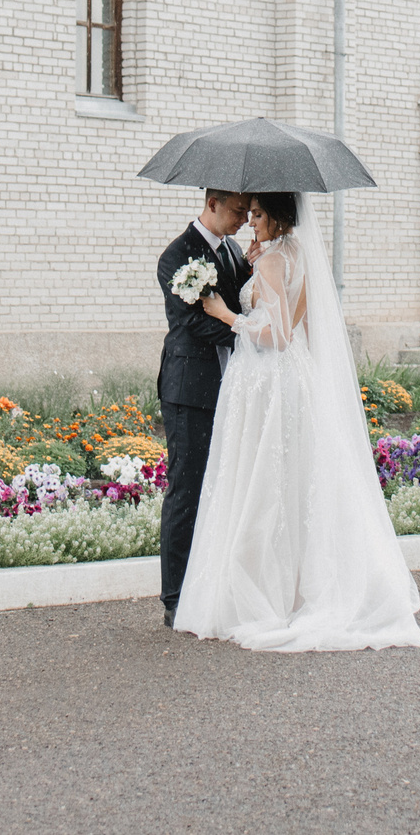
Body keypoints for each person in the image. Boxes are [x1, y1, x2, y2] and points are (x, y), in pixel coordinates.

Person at [173, 190, 420, 652]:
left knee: (261, 481)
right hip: (295, 382)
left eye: (259, 215)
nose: (251, 222)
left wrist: (229, 314)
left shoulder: (270, 261)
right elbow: (300, 315)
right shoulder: (296, 253)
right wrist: (258, 273)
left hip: (267, 377)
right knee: (291, 478)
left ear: (279, 217)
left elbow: (281, 335)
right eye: (249, 215)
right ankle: (296, 589)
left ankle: (265, 592)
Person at [155, 187, 253, 628]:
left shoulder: (234, 250)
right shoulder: (175, 255)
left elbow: (238, 302)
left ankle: (209, 589)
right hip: (188, 389)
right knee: (187, 490)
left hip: (231, 385)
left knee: (221, 488)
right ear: (212, 203)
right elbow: (191, 321)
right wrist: (251, 338)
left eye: (249, 212)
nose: (244, 220)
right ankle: (175, 597)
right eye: (237, 211)